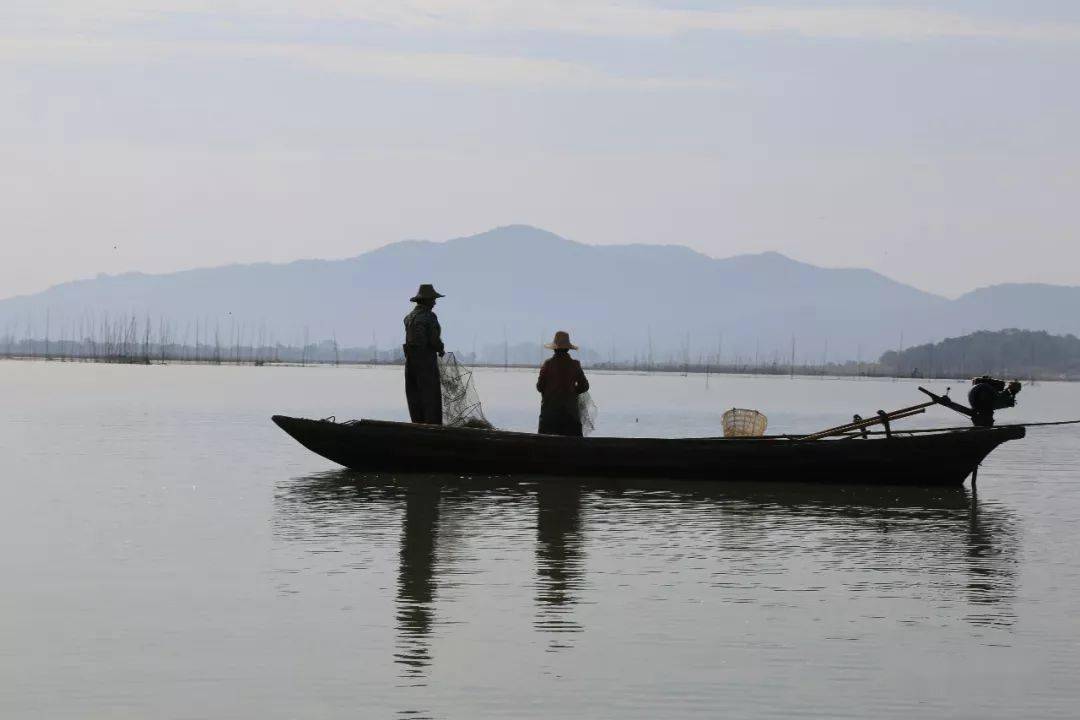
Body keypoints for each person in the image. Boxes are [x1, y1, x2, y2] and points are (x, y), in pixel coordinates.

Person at [403, 284, 445, 424]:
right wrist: (441, 348)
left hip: (410, 362)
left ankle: (417, 425)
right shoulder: (429, 317)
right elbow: (434, 341)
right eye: (432, 299)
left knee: (414, 395)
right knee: (430, 395)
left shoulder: (408, 317)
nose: (434, 302)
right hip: (425, 362)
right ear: (426, 301)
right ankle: (432, 428)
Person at [536, 331, 590, 436]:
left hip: (549, 416)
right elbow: (584, 386)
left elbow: (539, 387)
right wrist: (572, 392)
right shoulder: (575, 364)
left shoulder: (548, 364)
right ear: (568, 349)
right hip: (571, 416)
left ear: (555, 348)